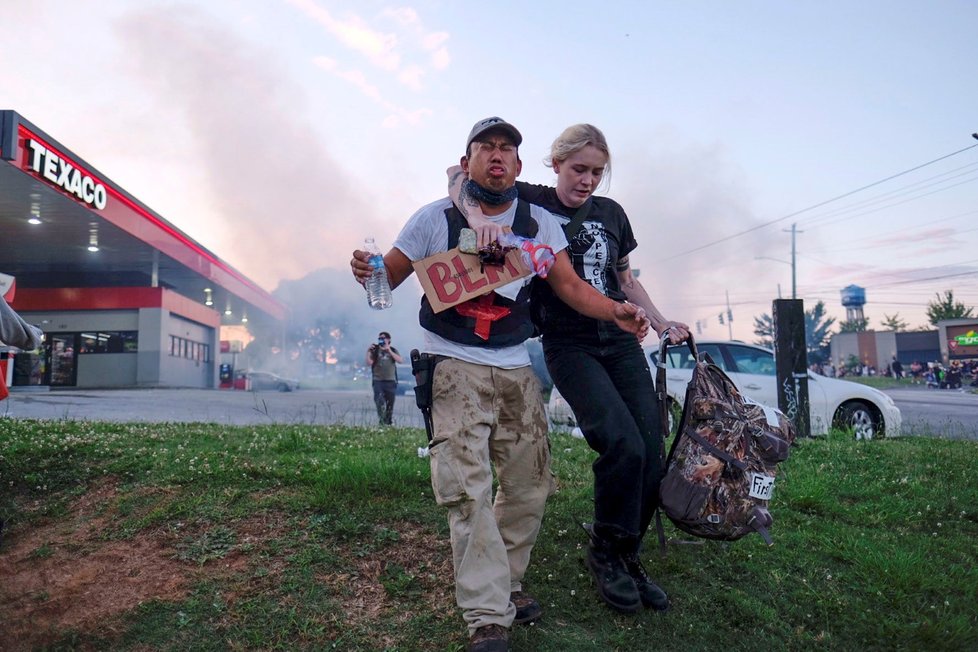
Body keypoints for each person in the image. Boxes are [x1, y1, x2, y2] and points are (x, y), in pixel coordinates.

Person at [350, 117, 649, 652]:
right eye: (485, 147)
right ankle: (487, 616)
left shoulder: (539, 223)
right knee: (468, 488)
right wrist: (366, 268)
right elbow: (387, 275)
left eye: (507, 148)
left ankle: (505, 583)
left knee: (530, 485)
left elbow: (572, 287)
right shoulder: (432, 218)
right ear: (466, 163)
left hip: (515, 366)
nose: (497, 155)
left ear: (517, 164)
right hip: (451, 363)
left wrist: (617, 311)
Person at [449, 123, 690, 614]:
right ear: (556, 163)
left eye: (597, 172)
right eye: (579, 169)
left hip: (621, 340)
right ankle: (603, 552)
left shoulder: (612, 214)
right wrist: (478, 216)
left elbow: (624, 279)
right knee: (619, 441)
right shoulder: (531, 199)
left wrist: (662, 323)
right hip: (569, 343)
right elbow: (457, 174)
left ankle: (627, 552)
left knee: (648, 446)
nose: (588, 180)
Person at [366, 331, 402, 425]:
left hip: (390, 381)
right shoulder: (375, 350)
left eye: (383, 338)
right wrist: (368, 351)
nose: (381, 340)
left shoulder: (393, 350)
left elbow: (400, 360)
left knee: (390, 403)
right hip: (378, 381)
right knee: (379, 401)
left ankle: (388, 421)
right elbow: (369, 362)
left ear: (388, 340)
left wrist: (388, 350)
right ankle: (381, 421)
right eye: (380, 338)